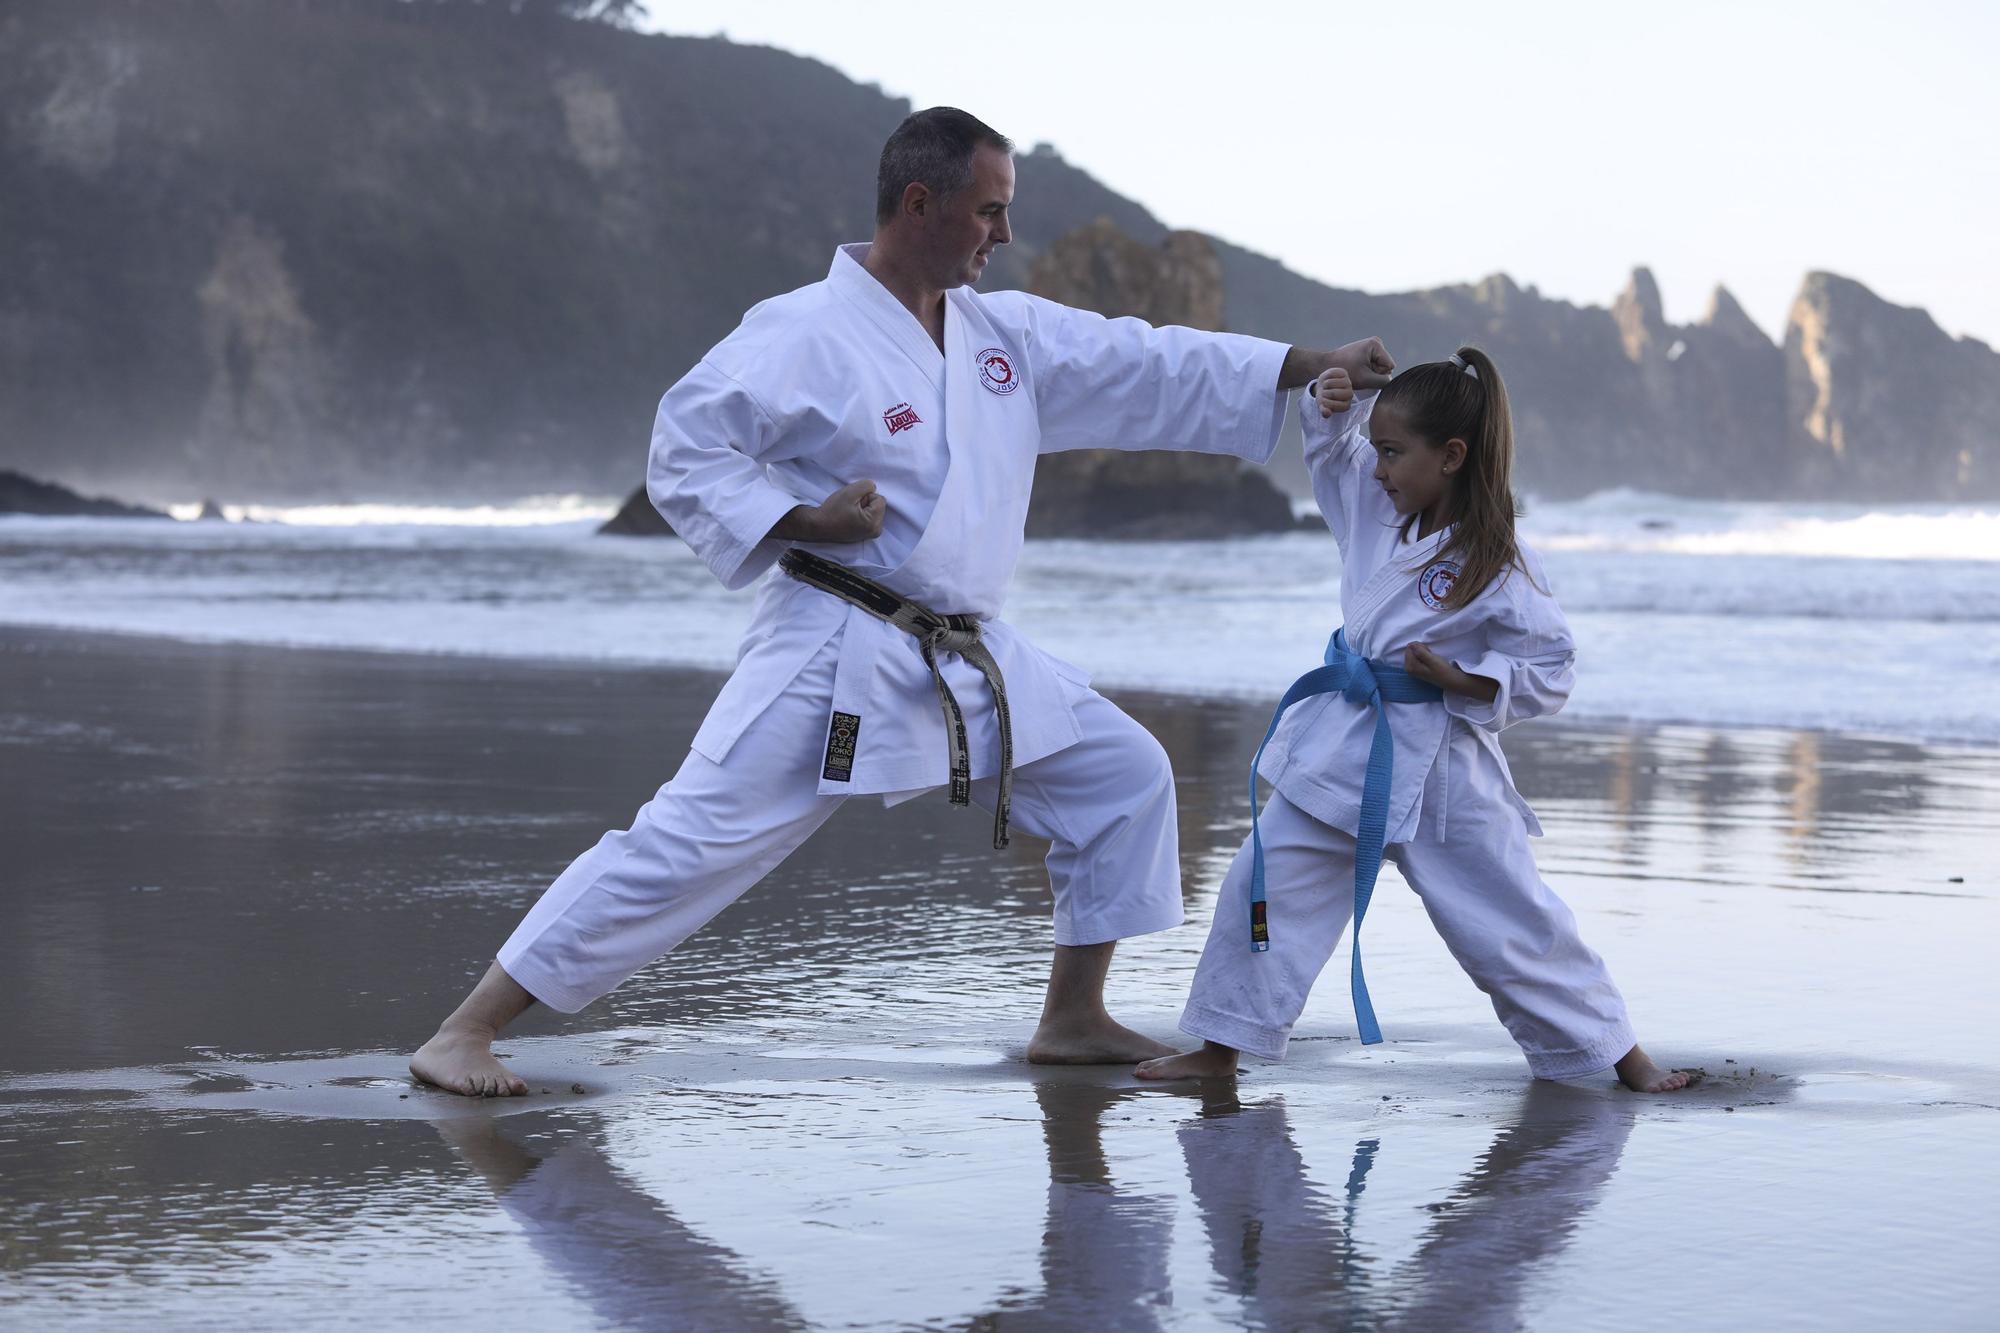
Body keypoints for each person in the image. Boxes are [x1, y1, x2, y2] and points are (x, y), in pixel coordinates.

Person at [411, 106, 1395, 1096]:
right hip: (833, 642)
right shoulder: (803, 330)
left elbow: (1142, 359)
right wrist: (805, 517)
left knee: (1124, 776)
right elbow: (685, 447)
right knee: (688, 845)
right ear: (919, 203)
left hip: (963, 649)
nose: (1002, 235)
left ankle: (1070, 1016)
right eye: (988, 211)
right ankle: (466, 1029)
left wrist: (1307, 365)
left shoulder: (1000, 334)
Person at [1135, 348, 1690, 1092]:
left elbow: (1552, 666)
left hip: (1445, 769)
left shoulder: (1498, 558)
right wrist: (1330, 403)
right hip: (1343, 749)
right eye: (1379, 450)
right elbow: (1334, 457)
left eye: (1394, 452)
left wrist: (1465, 679)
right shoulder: (1376, 509)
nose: (1380, 468)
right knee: (1259, 886)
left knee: (1512, 920)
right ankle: (1221, 1046)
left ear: (1452, 456)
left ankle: (1625, 1057)